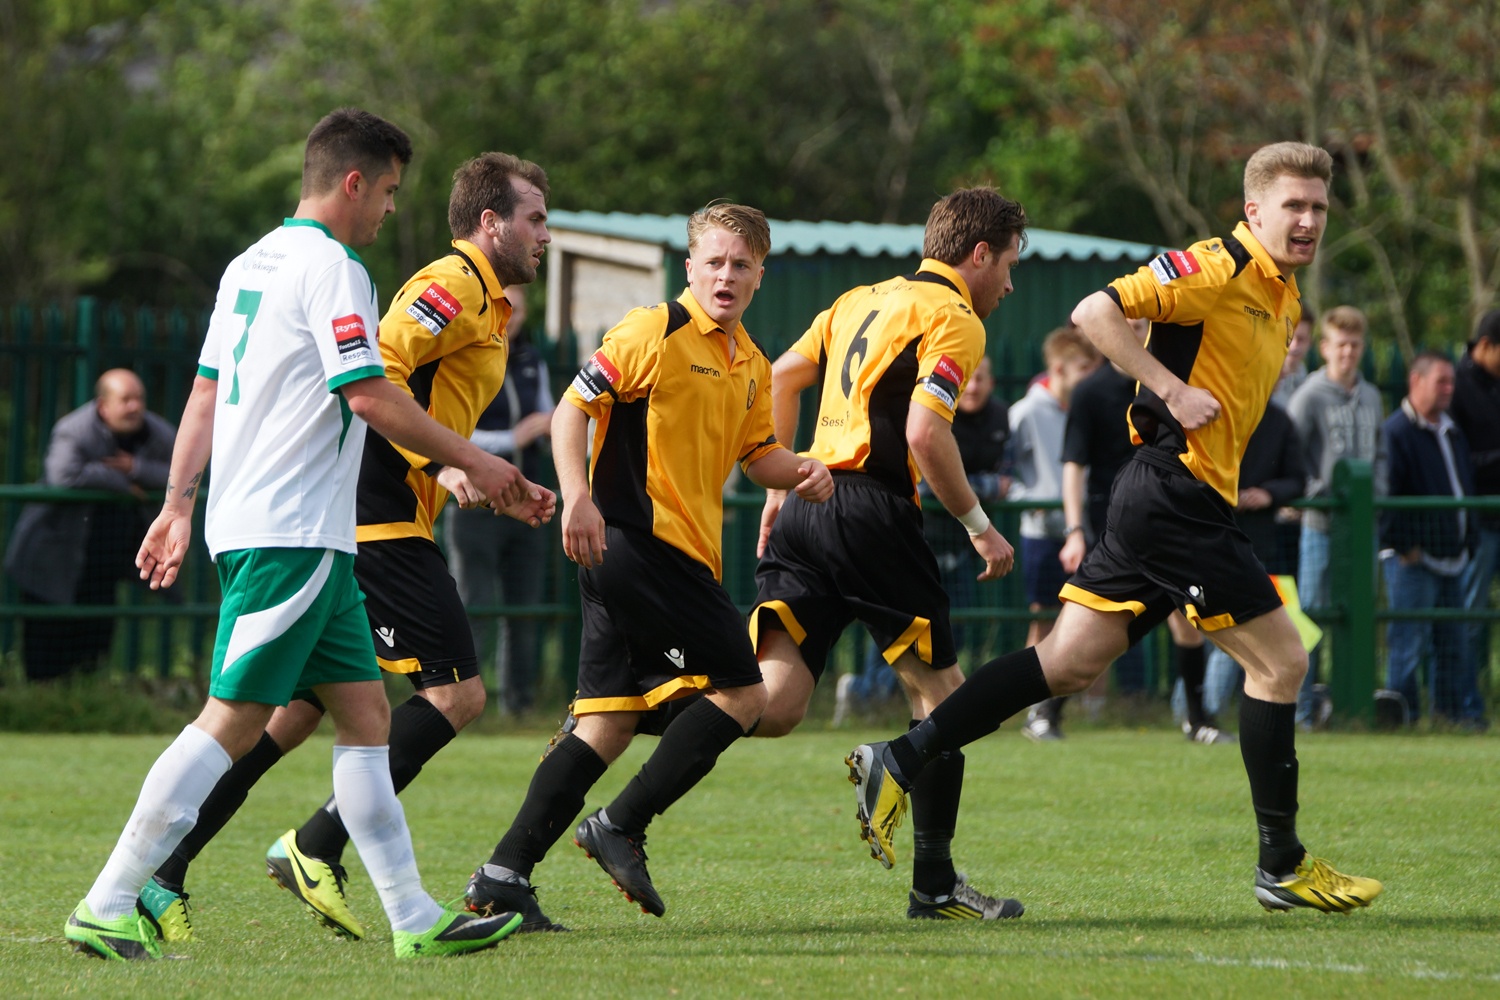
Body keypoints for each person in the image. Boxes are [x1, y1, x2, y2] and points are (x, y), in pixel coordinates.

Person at [847, 142, 1383, 916]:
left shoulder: (1285, 295)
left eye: (1318, 208)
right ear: (1254, 210)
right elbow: (1094, 310)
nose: (1307, 220)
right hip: (1176, 496)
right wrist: (1168, 387)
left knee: (1063, 663)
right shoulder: (1213, 266)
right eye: (1292, 206)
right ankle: (1284, 864)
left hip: (1164, 499)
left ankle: (899, 757)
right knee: (1282, 663)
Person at [64, 109, 545, 962]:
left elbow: (207, 393)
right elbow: (369, 393)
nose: (393, 210)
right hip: (292, 530)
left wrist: (178, 504)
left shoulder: (250, 262)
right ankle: (110, 898)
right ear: (353, 182)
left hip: (301, 531)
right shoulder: (335, 268)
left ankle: (414, 920)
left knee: (365, 717)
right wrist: (476, 463)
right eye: (390, 191)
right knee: (235, 718)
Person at [461, 203, 832, 924]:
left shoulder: (751, 361)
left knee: (606, 723)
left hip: (661, 556)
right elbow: (572, 410)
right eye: (715, 262)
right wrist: (577, 499)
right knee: (746, 694)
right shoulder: (650, 331)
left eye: (741, 264)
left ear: (760, 274)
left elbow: (759, 458)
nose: (727, 275)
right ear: (690, 267)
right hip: (638, 546)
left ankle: (502, 877)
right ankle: (620, 825)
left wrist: (805, 471)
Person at [750, 187, 1029, 921]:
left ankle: (625, 714)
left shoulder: (859, 297)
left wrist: (780, 480)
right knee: (947, 702)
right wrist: (978, 524)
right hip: (871, 510)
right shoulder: (955, 318)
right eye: (1009, 264)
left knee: (773, 705)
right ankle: (933, 880)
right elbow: (924, 435)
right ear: (978, 255)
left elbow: (781, 376)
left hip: (808, 503)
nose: (1010, 282)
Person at [1037, 319, 1219, 743]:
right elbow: (1073, 467)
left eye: (1142, 323)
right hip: (1110, 526)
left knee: (1186, 619)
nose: (1135, 330)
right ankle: (1046, 714)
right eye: (1126, 322)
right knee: (1093, 629)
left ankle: (1197, 719)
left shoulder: (1171, 386)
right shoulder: (1090, 391)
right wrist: (1075, 530)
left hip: (1165, 523)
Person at [832, 354, 1011, 726]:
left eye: (982, 378)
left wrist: (970, 490)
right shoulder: (933, 412)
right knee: (898, 629)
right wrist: (985, 489)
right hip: (915, 539)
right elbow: (926, 480)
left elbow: (1007, 476)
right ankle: (868, 694)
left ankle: (906, 705)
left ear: (991, 383)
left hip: (962, 548)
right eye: (970, 378)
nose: (974, 386)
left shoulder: (999, 418)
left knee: (954, 630)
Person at [5, 370, 176, 681]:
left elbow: (183, 472)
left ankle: (89, 697)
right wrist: (121, 481)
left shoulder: (158, 432)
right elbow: (63, 476)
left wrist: (135, 467)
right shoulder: (74, 429)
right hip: (52, 558)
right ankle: (43, 704)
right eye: (125, 400)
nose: (134, 407)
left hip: (102, 562)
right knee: (46, 643)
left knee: (95, 642)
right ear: (103, 405)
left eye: (138, 399)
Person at [444, 284, 554, 719]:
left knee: (523, 609)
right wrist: (512, 438)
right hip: (475, 501)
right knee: (473, 604)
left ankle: (518, 705)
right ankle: (464, 700)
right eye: (508, 309)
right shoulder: (464, 356)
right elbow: (448, 431)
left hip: (523, 498)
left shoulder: (531, 361)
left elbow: (546, 417)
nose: (515, 317)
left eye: (522, 310)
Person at [1286, 305, 1385, 728]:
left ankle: (1352, 707)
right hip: (1320, 526)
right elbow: (1290, 452)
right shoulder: (1309, 395)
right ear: (1325, 347)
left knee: (1361, 613)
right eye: (1341, 344)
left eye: (1355, 345)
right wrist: (1311, 492)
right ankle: (1302, 711)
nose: (1348, 352)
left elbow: (1380, 454)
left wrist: (1375, 496)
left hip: (1362, 527)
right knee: (1310, 616)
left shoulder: (1372, 396)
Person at [1379, 352, 1483, 727]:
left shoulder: (1451, 429)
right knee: (1408, 643)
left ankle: (1450, 715)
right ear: (1415, 381)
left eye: (1451, 382)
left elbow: (1461, 486)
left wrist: (1468, 538)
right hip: (1415, 559)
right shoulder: (1396, 432)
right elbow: (1385, 495)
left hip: (1454, 556)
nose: (1448, 389)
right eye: (1441, 381)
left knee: (1453, 643)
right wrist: (1406, 547)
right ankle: (1400, 718)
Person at [1184, 401, 1305, 716]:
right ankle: (1198, 710)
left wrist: (1268, 493)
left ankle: (1202, 711)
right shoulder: (1205, 410)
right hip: (1205, 536)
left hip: (1258, 544)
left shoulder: (1279, 419)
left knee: (1239, 629)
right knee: (1206, 628)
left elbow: (1297, 477)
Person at [1006, 327, 1100, 656]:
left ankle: (1094, 706)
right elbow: (1002, 471)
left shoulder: (1089, 410)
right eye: (1085, 369)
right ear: (1059, 369)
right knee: (1044, 619)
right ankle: (1036, 705)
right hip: (1041, 536)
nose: (1093, 377)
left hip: (1088, 530)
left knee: (1093, 620)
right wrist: (1031, 502)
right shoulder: (1024, 413)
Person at [1450, 309, 1500, 725]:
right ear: (1485, 346)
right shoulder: (1456, 386)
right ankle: (1468, 707)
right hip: (1479, 521)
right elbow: (1457, 459)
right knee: (1469, 616)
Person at [1270, 316, 1312, 410]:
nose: (1294, 345)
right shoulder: (1263, 382)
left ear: (1309, 343)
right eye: (1289, 337)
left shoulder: (1311, 385)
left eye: (1301, 339)